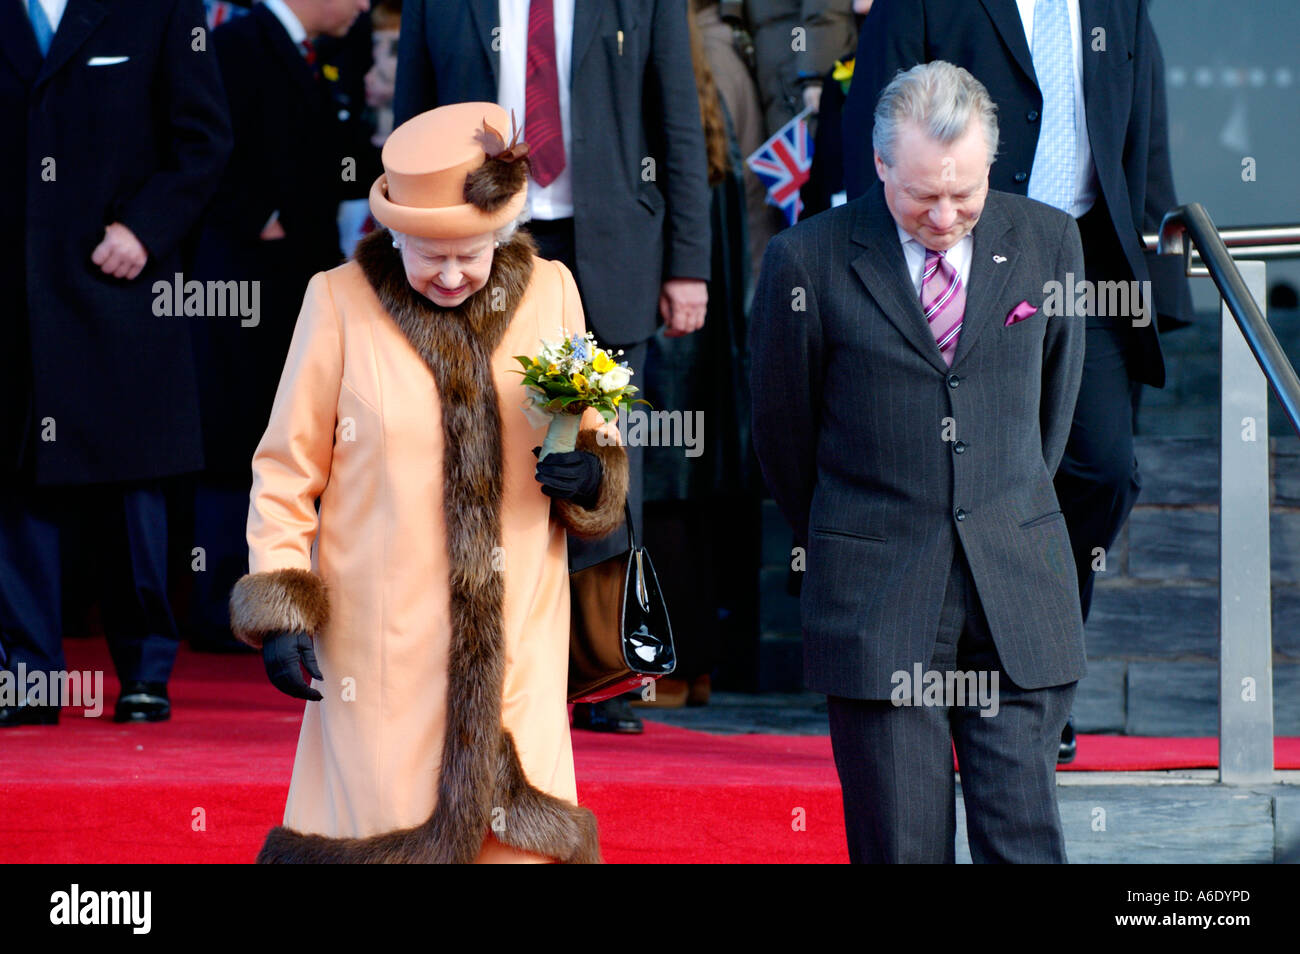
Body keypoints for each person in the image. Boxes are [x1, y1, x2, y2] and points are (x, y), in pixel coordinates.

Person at [228, 102, 626, 863]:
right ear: (394, 233)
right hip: (382, 649)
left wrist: (593, 477)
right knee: (387, 840)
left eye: (470, 253)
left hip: (520, 640)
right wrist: (280, 603)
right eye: (429, 254)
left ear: (503, 231)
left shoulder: (553, 291)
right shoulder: (337, 300)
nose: (451, 274)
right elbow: (286, 468)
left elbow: (596, 432)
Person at [840, 0, 1192, 761]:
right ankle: (996, 677)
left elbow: (1143, 127)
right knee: (962, 475)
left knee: (1100, 470)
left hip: (1085, 264)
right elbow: (873, 114)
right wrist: (862, 259)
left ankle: (1034, 658)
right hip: (956, 256)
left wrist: (1164, 280)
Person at [751, 62, 1086, 862]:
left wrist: (998, 502)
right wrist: (851, 534)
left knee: (1025, 842)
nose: (944, 215)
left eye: (963, 193)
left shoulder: (1048, 239)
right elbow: (783, 434)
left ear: (989, 166)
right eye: (921, 195)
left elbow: (1055, 411)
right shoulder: (807, 261)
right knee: (900, 844)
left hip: (1018, 584)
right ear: (877, 165)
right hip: (878, 592)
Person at [393, 0, 713, 734]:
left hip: (615, 243)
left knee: (599, 452)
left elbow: (679, 123)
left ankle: (602, 668)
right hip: (478, 240)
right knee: (481, 439)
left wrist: (687, 265)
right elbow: (409, 125)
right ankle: (483, 660)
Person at [0, 0, 232, 725]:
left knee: (131, 486)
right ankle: (29, 677)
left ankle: (144, 671)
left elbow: (204, 139)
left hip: (118, 279)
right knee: (16, 491)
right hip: (14, 292)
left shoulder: (159, 8)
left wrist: (147, 228)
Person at [189, 0, 373, 653]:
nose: (362, 6)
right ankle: (218, 608)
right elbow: (202, 141)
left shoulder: (317, 56)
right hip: (243, 283)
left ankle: (269, 604)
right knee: (237, 439)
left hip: (291, 282)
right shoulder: (237, 42)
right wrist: (253, 216)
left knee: (293, 433)